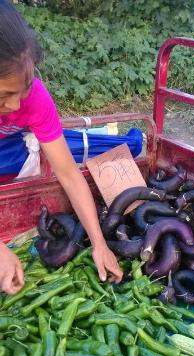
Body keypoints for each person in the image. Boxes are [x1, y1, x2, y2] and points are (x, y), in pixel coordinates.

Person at [0, 0, 122, 294]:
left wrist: (99, 243)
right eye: (5, 94)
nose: (17, 104)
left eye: (25, 89)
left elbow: (68, 173)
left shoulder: (35, 100)